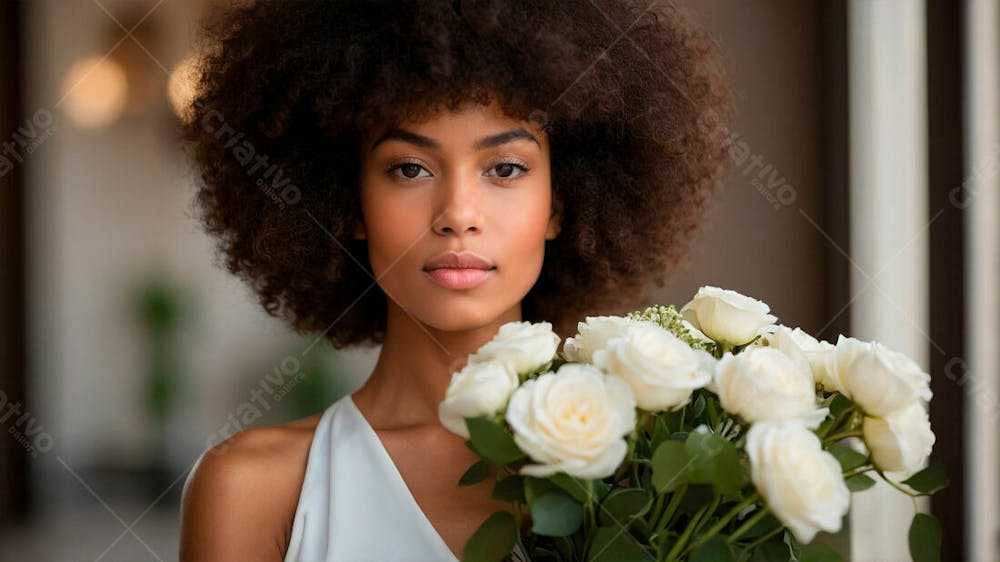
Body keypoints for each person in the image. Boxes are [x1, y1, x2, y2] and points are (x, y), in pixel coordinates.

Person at [177, 0, 731, 560]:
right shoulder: (252, 489)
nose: (458, 213)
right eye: (410, 169)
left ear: (560, 205)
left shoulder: (657, 474)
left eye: (505, 169)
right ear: (349, 203)